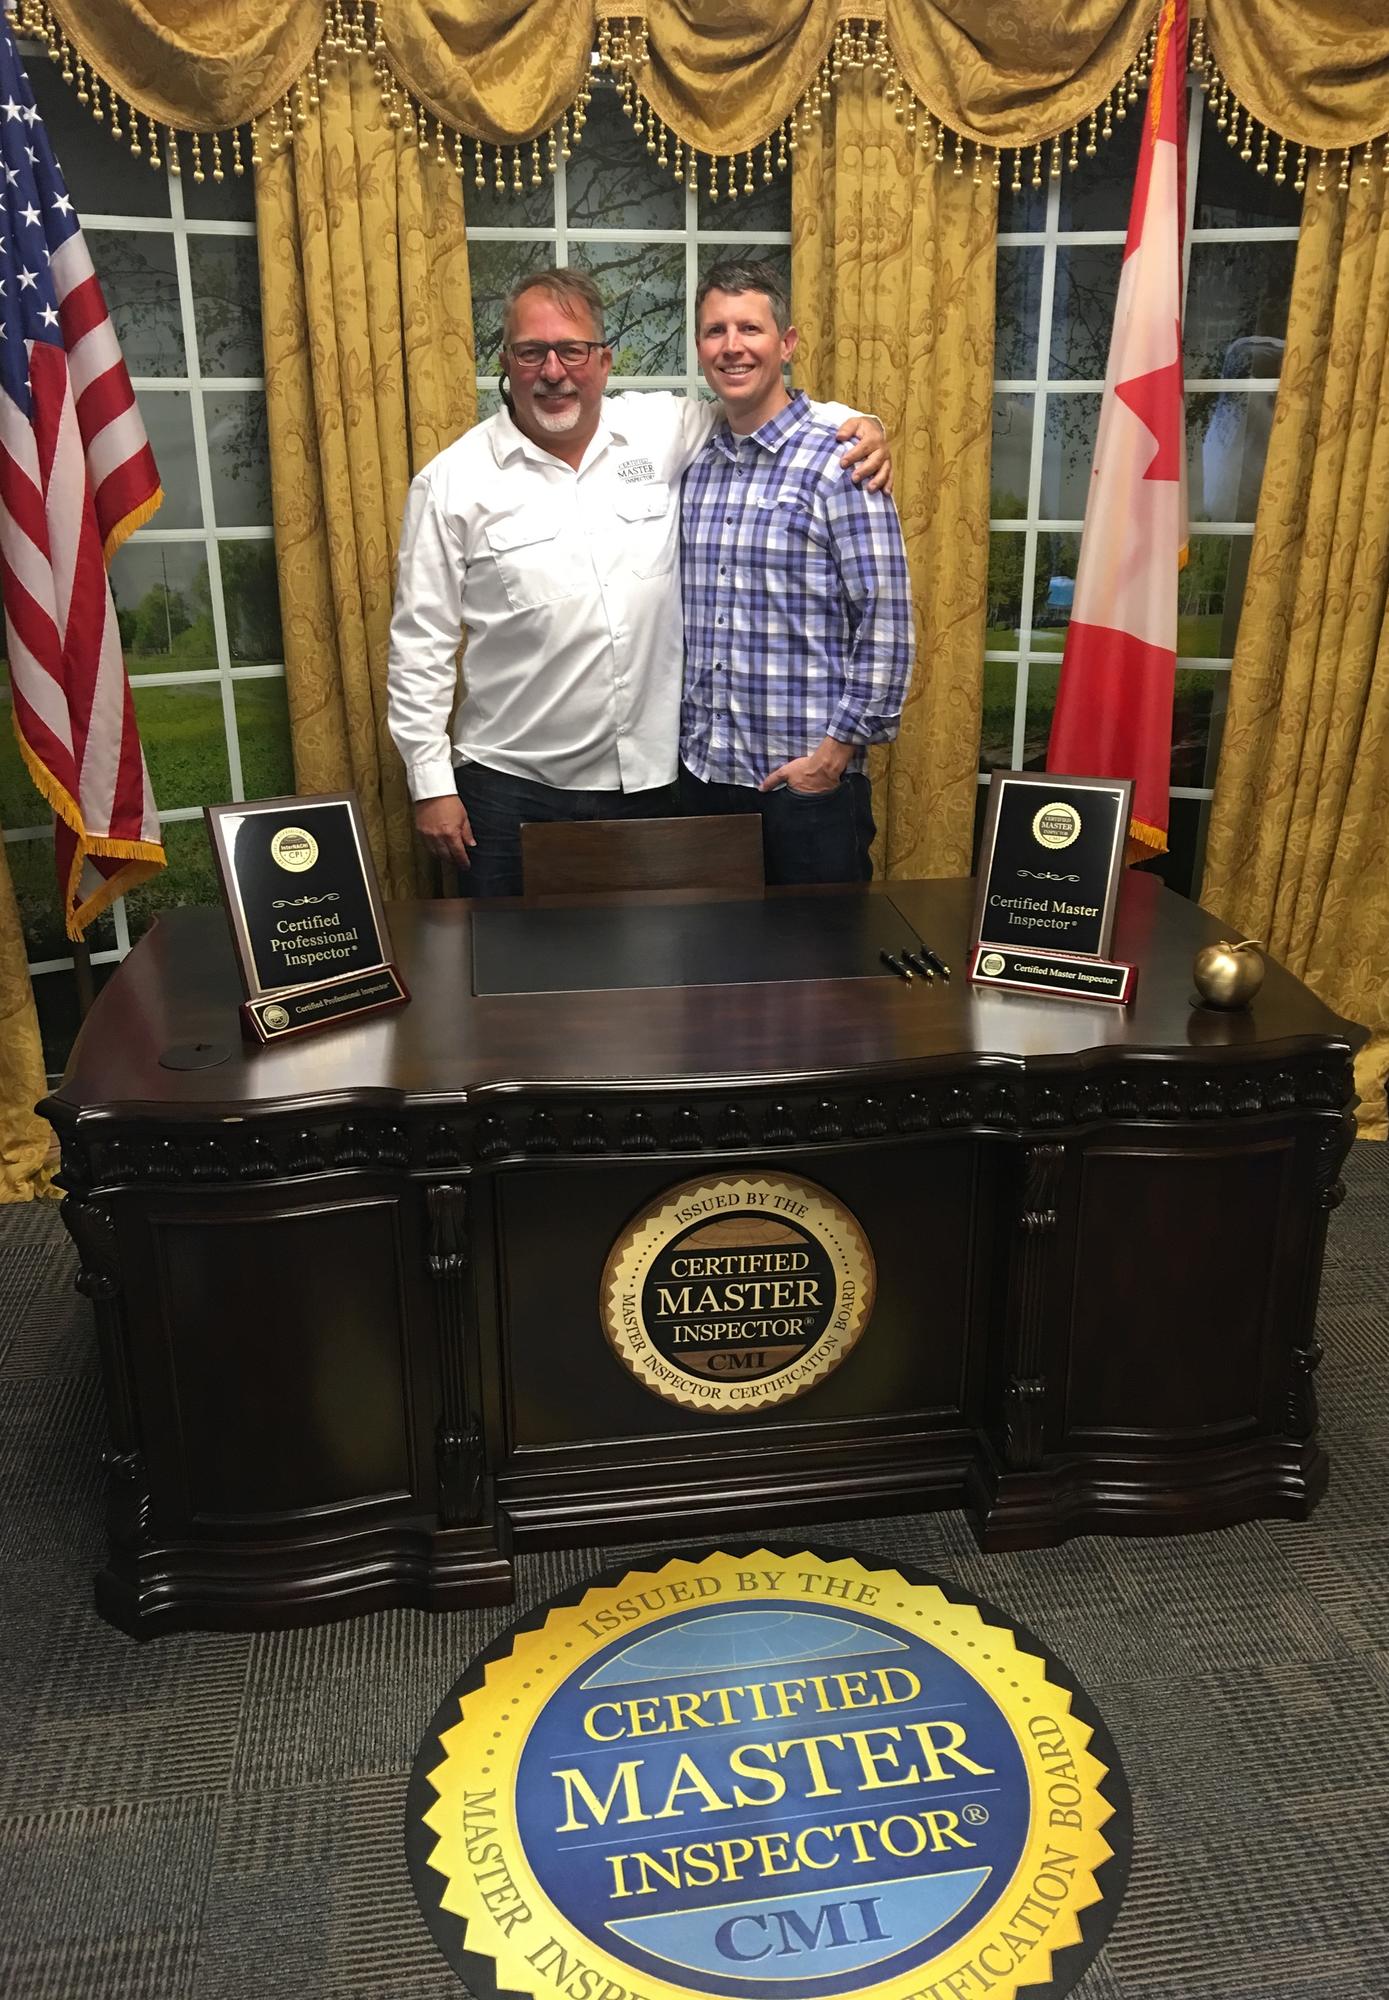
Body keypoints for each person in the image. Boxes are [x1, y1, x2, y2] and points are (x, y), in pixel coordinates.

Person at [386, 267, 890, 897]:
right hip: (509, 791)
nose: (553, 371)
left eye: (573, 350)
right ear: (506, 362)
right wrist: (430, 784)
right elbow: (420, 645)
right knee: (508, 959)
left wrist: (860, 422)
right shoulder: (450, 482)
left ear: (604, 361)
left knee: (656, 959)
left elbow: (763, 405)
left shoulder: (661, 430)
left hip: (654, 788)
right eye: (531, 351)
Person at [678, 261, 915, 885]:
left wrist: (832, 759)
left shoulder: (843, 460)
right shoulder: (693, 463)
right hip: (702, 783)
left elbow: (886, 622)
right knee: (703, 951)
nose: (732, 346)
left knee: (821, 951)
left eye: (750, 329)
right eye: (715, 331)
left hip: (805, 790)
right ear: (699, 347)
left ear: (786, 343)